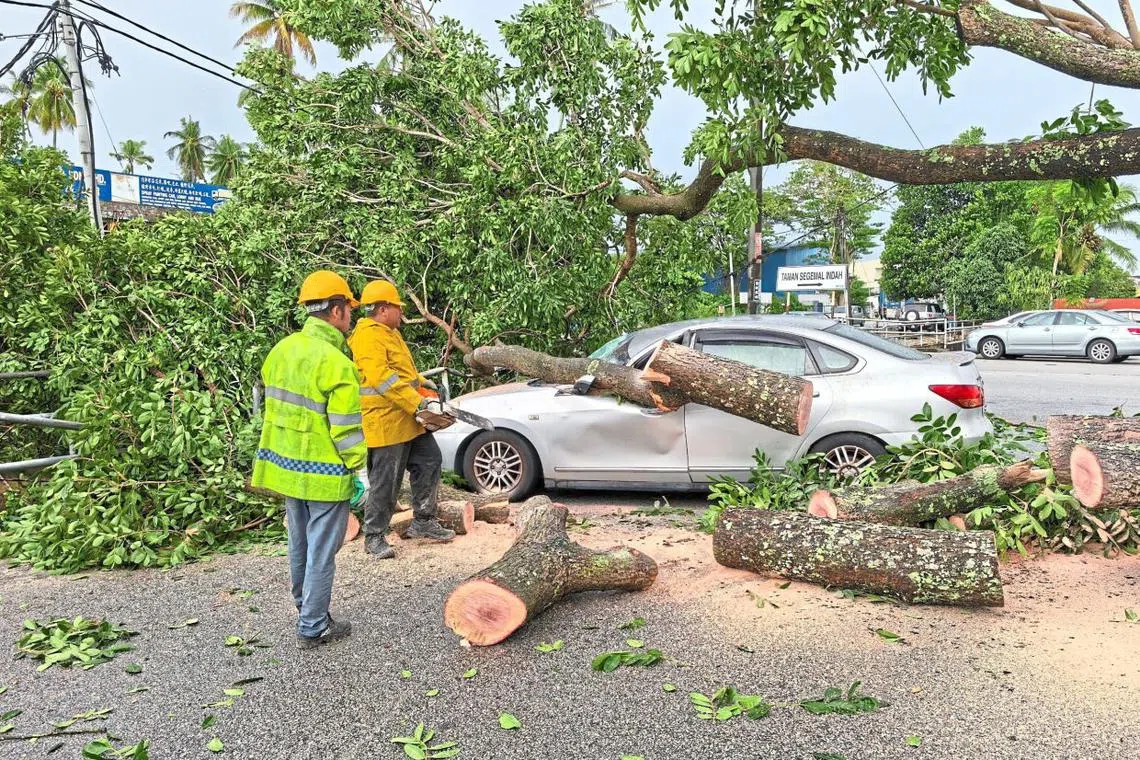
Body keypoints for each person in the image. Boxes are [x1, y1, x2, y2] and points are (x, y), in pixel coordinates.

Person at [251, 270, 367, 649]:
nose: (350, 317)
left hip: (285, 470)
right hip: (325, 474)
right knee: (321, 551)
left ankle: (306, 609)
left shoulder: (281, 351)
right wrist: (357, 468)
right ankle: (313, 625)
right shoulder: (337, 364)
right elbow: (346, 430)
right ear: (335, 311)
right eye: (348, 309)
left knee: (299, 544)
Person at [348, 279, 455, 559]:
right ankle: (373, 536)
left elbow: (403, 373)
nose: (401, 314)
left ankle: (423, 521)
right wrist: (417, 402)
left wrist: (424, 384)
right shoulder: (368, 336)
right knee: (386, 480)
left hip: (408, 419)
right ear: (383, 309)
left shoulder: (389, 332)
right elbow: (382, 379)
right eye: (398, 308)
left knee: (430, 460)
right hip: (386, 421)